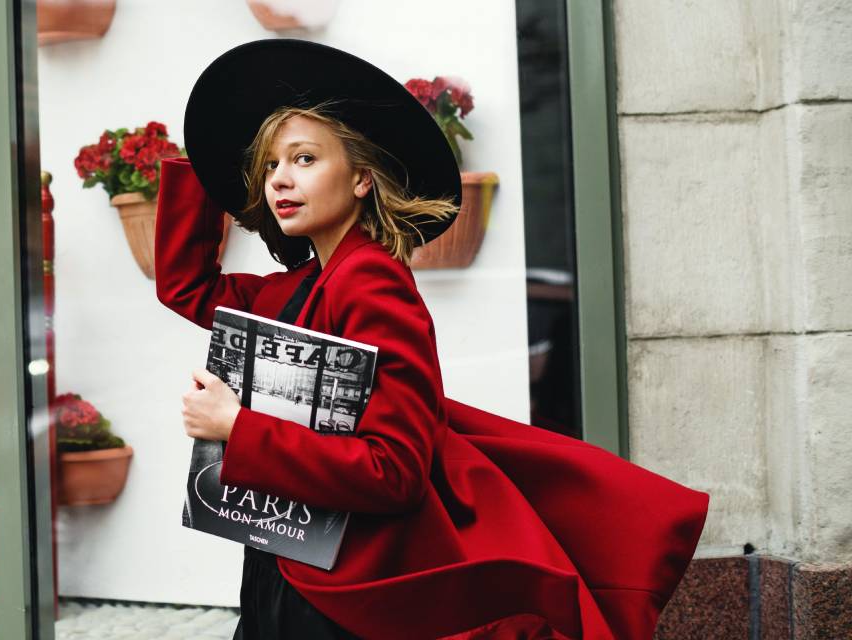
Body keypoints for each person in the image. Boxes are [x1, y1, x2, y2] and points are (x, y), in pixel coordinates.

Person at [154, 39, 710, 640]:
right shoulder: (299, 287)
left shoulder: (371, 283)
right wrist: (204, 159)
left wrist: (237, 427)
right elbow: (186, 286)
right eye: (270, 166)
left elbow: (394, 470)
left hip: (345, 597)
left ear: (362, 178)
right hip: (283, 564)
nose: (281, 179)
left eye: (305, 159)